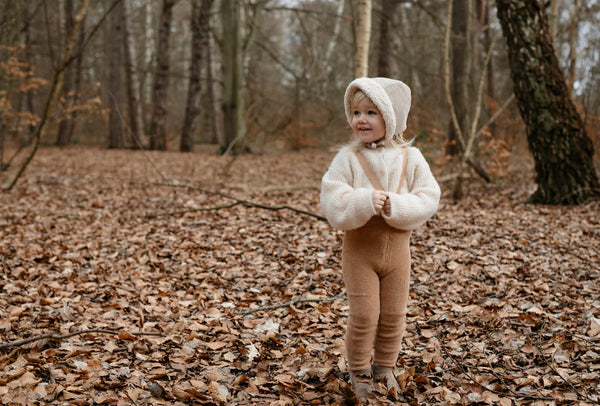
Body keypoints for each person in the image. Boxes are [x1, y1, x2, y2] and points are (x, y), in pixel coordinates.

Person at [320, 77, 440, 401]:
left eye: (371, 112)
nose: (361, 119)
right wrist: (362, 201)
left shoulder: (410, 157)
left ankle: (385, 367)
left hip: (398, 252)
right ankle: (359, 370)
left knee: (394, 314)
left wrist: (396, 206)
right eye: (357, 112)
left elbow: (430, 197)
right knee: (365, 314)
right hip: (360, 250)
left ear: (391, 118)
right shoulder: (347, 159)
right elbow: (331, 200)